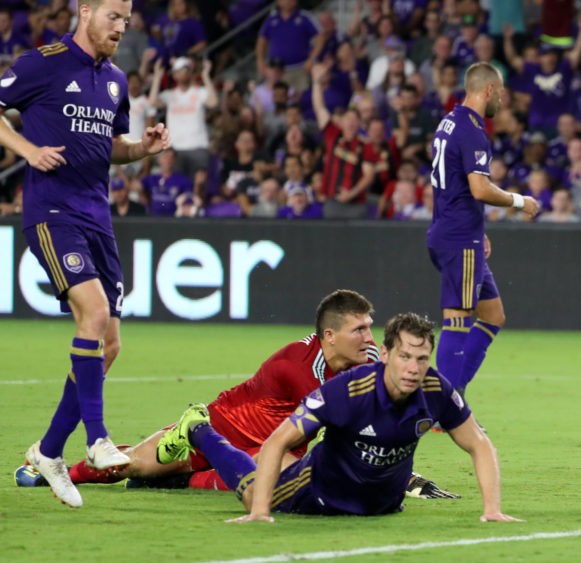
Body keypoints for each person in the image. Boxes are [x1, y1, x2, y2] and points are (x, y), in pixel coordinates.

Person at [17, 290, 456, 500]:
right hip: (217, 427)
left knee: (281, 472)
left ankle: (182, 480)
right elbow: (348, 435)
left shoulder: (361, 364)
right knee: (127, 466)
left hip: (264, 446)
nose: (367, 336)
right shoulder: (297, 367)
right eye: (358, 329)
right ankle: (47, 472)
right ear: (329, 336)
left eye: (368, 327)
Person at [0, 0, 171, 508]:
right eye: (114, 16)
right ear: (86, 12)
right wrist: (27, 150)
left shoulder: (116, 79)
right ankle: (96, 440)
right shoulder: (42, 62)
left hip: (99, 218)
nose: (123, 26)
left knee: (110, 344)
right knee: (93, 313)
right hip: (53, 213)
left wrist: (142, 148)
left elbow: (109, 145)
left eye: (127, 18)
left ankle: (48, 451)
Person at [168, 313, 520, 522]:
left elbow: (478, 443)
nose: (414, 368)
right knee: (251, 489)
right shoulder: (347, 391)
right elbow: (278, 440)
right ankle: (200, 431)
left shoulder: (436, 390)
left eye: (422, 358)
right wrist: (260, 512)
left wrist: (492, 510)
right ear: (384, 354)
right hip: (317, 491)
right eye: (405, 357)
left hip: (380, 505)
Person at [426, 62, 540, 397]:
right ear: (489, 90)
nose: (502, 100)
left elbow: (454, 187)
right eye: (501, 92)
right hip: (459, 236)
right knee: (457, 318)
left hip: (457, 230)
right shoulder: (472, 131)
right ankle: (444, 408)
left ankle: (455, 391)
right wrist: (520, 201)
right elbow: (479, 188)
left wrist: (479, 226)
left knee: (493, 315)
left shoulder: (449, 121)